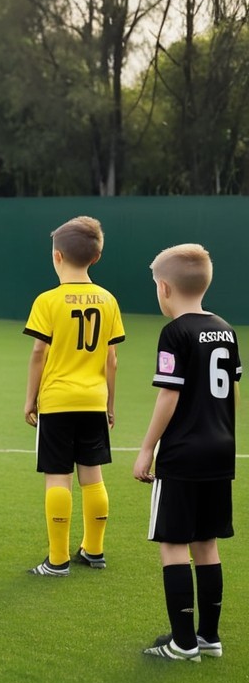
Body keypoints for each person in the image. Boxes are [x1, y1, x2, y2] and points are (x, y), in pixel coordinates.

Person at [134, 244, 240, 661]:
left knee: (174, 544)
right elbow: (231, 392)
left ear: (164, 288)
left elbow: (169, 396)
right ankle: (208, 637)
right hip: (220, 450)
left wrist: (147, 448)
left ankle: (182, 643)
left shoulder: (175, 333)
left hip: (182, 454)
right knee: (206, 543)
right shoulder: (226, 329)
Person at [23, 216, 125, 576]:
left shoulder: (47, 301)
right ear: (96, 258)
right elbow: (112, 359)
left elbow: (39, 352)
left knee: (57, 476)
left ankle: (57, 560)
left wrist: (30, 399)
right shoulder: (108, 300)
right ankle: (94, 550)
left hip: (57, 401)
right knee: (92, 476)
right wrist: (109, 404)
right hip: (94, 400)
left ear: (57, 256)